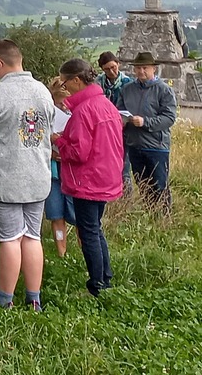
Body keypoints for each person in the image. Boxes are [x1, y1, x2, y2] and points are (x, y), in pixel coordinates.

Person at [0, 39, 54, 311]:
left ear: (0, 63)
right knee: (32, 237)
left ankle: (5, 299)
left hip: (5, 178)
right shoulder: (42, 92)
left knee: (9, 239)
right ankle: (34, 296)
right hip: (37, 176)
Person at [54, 58, 124, 296]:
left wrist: (58, 141)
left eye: (64, 83)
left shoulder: (83, 110)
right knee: (96, 228)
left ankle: (97, 285)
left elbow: (78, 152)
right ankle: (106, 278)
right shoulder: (104, 103)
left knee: (89, 231)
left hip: (87, 179)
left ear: (76, 80)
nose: (64, 88)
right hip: (106, 175)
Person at [118, 51, 177, 215]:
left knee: (160, 186)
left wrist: (145, 122)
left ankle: (164, 219)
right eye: (138, 68)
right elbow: (119, 110)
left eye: (145, 68)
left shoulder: (164, 90)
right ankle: (150, 214)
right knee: (143, 184)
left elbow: (169, 118)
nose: (141, 71)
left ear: (153, 69)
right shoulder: (127, 89)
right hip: (134, 145)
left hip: (156, 147)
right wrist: (122, 120)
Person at [44, 77, 77, 257]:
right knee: (56, 215)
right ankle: (61, 253)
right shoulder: (48, 116)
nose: (64, 106)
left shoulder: (78, 116)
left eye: (67, 103)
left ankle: (83, 249)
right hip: (53, 173)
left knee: (78, 217)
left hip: (73, 172)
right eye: (61, 103)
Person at [96, 50, 134, 192]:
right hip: (104, 129)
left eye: (114, 67)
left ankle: (126, 198)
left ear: (118, 64)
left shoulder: (128, 83)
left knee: (124, 166)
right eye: (107, 69)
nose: (111, 71)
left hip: (123, 128)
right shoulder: (98, 83)